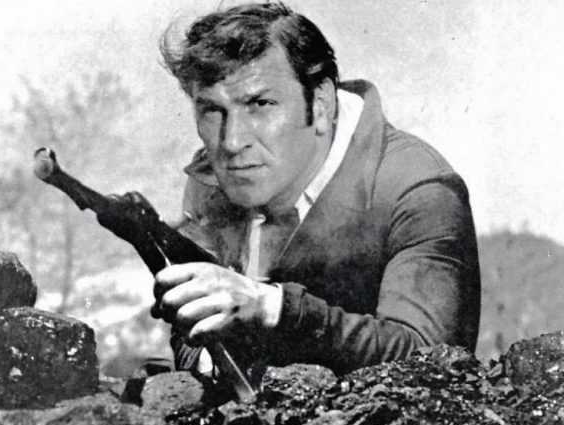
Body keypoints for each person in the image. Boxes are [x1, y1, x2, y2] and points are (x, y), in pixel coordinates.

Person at [152, 2, 481, 376]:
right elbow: (192, 318)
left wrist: (274, 309)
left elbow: (430, 359)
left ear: (321, 104)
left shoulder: (417, 188)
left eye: (260, 104)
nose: (231, 142)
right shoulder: (211, 180)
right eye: (212, 111)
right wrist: (202, 354)